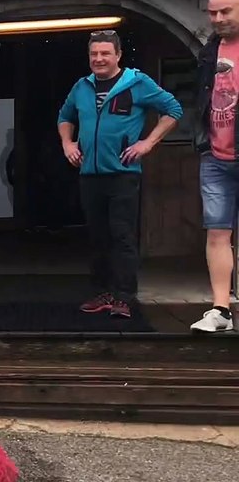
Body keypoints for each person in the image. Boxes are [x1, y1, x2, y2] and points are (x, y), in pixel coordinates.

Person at [58, 29, 182, 318]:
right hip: (90, 174)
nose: (99, 59)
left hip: (123, 174)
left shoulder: (137, 83)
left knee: (122, 236)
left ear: (118, 55)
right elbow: (65, 117)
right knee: (98, 237)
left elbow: (173, 110)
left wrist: (148, 142)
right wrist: (68, 143)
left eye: (105, 53)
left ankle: (124, 297)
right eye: (94, 54)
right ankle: (102, 292)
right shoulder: (82, 86)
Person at [190, 0, 239, 333]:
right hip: (216, 154)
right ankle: (220, 310)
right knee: (217, 233)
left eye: (226, 12)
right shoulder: (209, 50)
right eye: (213, 13)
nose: (219, 19)